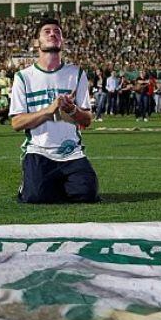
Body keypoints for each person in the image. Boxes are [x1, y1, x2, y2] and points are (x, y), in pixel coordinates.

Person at [9, 18, 98, 204]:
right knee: (35, 197)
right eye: (47, 31)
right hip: (39, 151)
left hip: (71, 151)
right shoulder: (23, 77)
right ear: (36, 42)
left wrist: (71, 109)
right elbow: (16, 123)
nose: (53, 34)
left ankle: (52, 184)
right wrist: (48, 111)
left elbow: (87, 120)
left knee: (87, 194)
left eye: (57, 31)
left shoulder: (77, 74)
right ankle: (35, 184)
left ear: (62, 40)